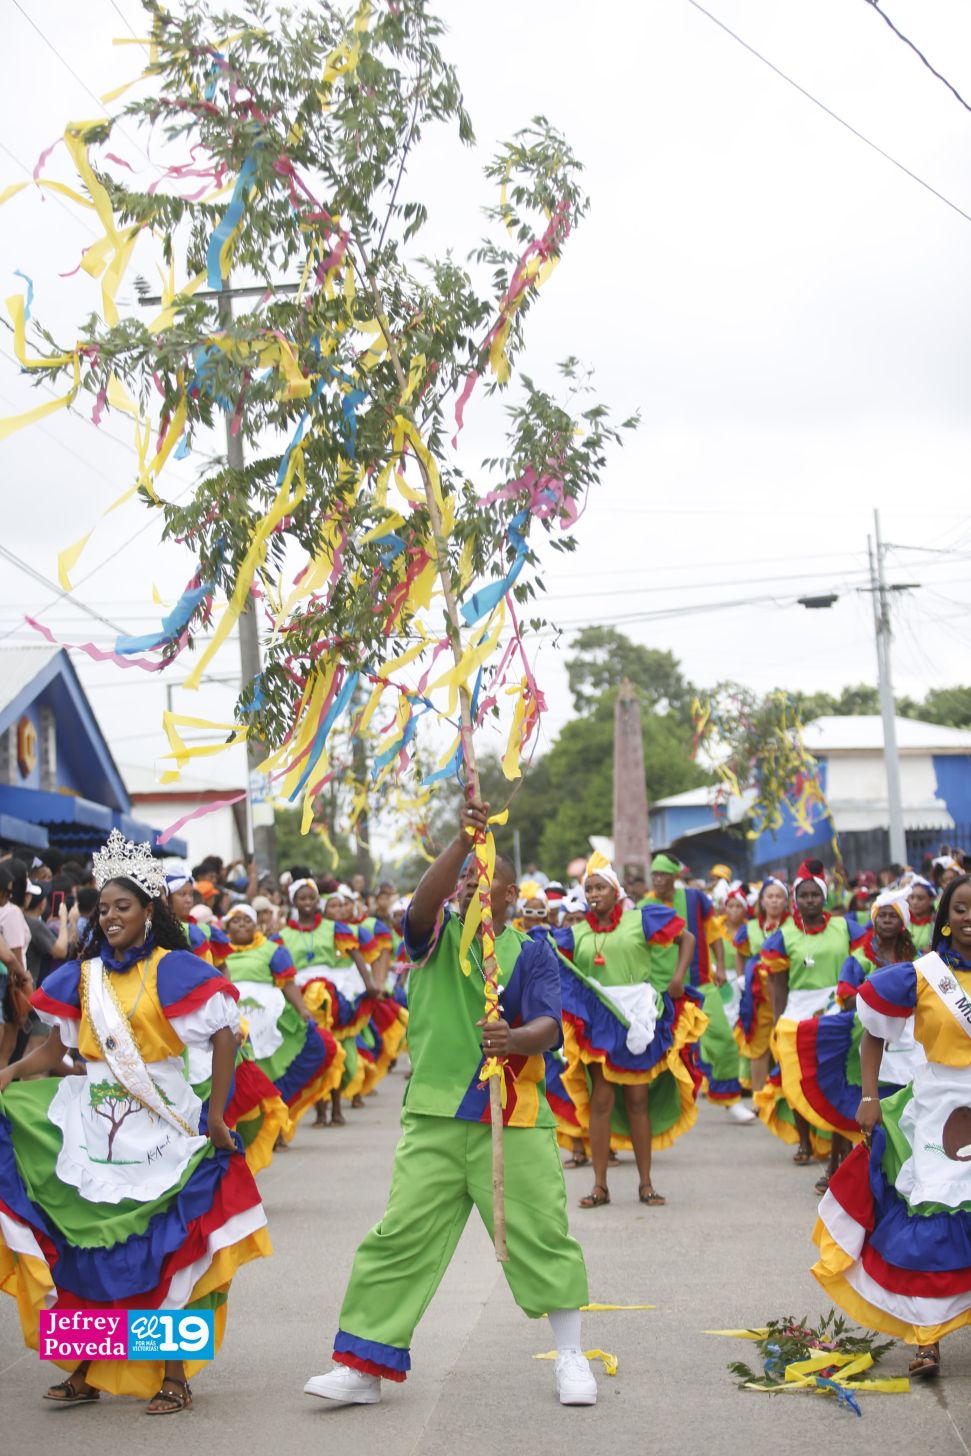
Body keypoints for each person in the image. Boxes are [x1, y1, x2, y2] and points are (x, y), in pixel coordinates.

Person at [304, 799, 595, 1408]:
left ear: (512, 896)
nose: (473, 885)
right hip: (435, 1114)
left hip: (510, 1114)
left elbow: (549, 1025)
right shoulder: (429, 936)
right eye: (466, 878)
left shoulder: (534, 951)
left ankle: (571, 1357)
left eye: (487, 878)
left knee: (543, 1235)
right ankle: (364, 1367)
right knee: (399, 1238)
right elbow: (419, 904)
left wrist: (513, 1039)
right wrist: (463, 844)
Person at [0, 829, 270, 1412]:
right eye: (104, 908)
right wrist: (9, 1074)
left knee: (161, 1256)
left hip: (160, 1132)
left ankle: (174, 1375)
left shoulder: (173, 971)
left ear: (148, 911)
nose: (113, 916)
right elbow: (53, 1051)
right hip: (95, 1132)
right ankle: (86, 1366)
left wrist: (217, 1114)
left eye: (124, 906)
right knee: (85, 1251)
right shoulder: (82, 976)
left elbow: (225, 1034)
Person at [812, 874, 971, 1378]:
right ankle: (927, 1338)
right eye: (962, 909)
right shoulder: (920, 976)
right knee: (934, 1225)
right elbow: (872, 1036)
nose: (970, 918)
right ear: (944, 919)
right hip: (937, 1110)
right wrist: (868, 1097)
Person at [554, 853, 701, 1209]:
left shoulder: (641, 919)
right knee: (600, 1101)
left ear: (615, 890)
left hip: (636, 1018)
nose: (593, 893)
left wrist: (679, 977)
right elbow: (554, 963)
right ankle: (600, 1185)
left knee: (637, 1102)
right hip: (599, 1021)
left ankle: (646, 1184)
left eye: (600, 886)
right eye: (588, 888)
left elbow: (688, 939)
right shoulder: (577, 932)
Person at [772, 887, 918, 1196]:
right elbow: (845, 993)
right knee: (851, 1099)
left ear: (903, 923)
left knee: (901, 1100)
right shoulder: (859, 956)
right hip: (861, 1036)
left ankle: (894, 1167)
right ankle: (835, 1167)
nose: (888, 921)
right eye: (883, 916)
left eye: (894, 916)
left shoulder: (913, 958)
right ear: (874, 921)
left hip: (905, 1039)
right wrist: (876, 998)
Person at [754, 860, 864, 1165]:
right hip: (797, 1012)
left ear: (824, 897)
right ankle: (804, 1143)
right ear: (795, 899)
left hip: (836, 1009)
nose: (809, 900)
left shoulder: (845, 927)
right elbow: (778, 985)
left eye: (815, 895)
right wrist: (778, 1021)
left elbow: (863, 965)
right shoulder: (783, 935)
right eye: (803, 895)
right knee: (795, 1077)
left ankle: (839, 1149)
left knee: (836, 1078)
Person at [222, 903, 344, 1137]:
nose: (241, 925)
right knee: (243, 1078)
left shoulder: (272, 949)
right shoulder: (220, 953)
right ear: (227, 926)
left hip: (269, 1026)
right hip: (235, 1024)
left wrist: (303, 1011)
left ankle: (275, 1128)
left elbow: (288, 984)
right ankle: (249, 1132)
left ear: (256, 924)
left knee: (272, 1075)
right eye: (235, 921)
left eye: (247, 920)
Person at [733, 877, 790, 1092]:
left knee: (784, 1045)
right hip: (758, 997)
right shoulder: (750, 928)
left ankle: (785, 1095)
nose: (774, 901)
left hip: (785, 993)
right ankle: (758, 1096)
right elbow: (740, 953)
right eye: (770, 896)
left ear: (786, 901)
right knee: (758, 1047)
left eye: (778, 896)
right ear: (762, 900)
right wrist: (740, 977)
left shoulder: (793, 926)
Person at [908, 876, 937, 952]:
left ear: (931, 900)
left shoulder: (936, 923)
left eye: (920, 898)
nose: (914, 902)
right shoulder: (902, 921)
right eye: (911, 897)